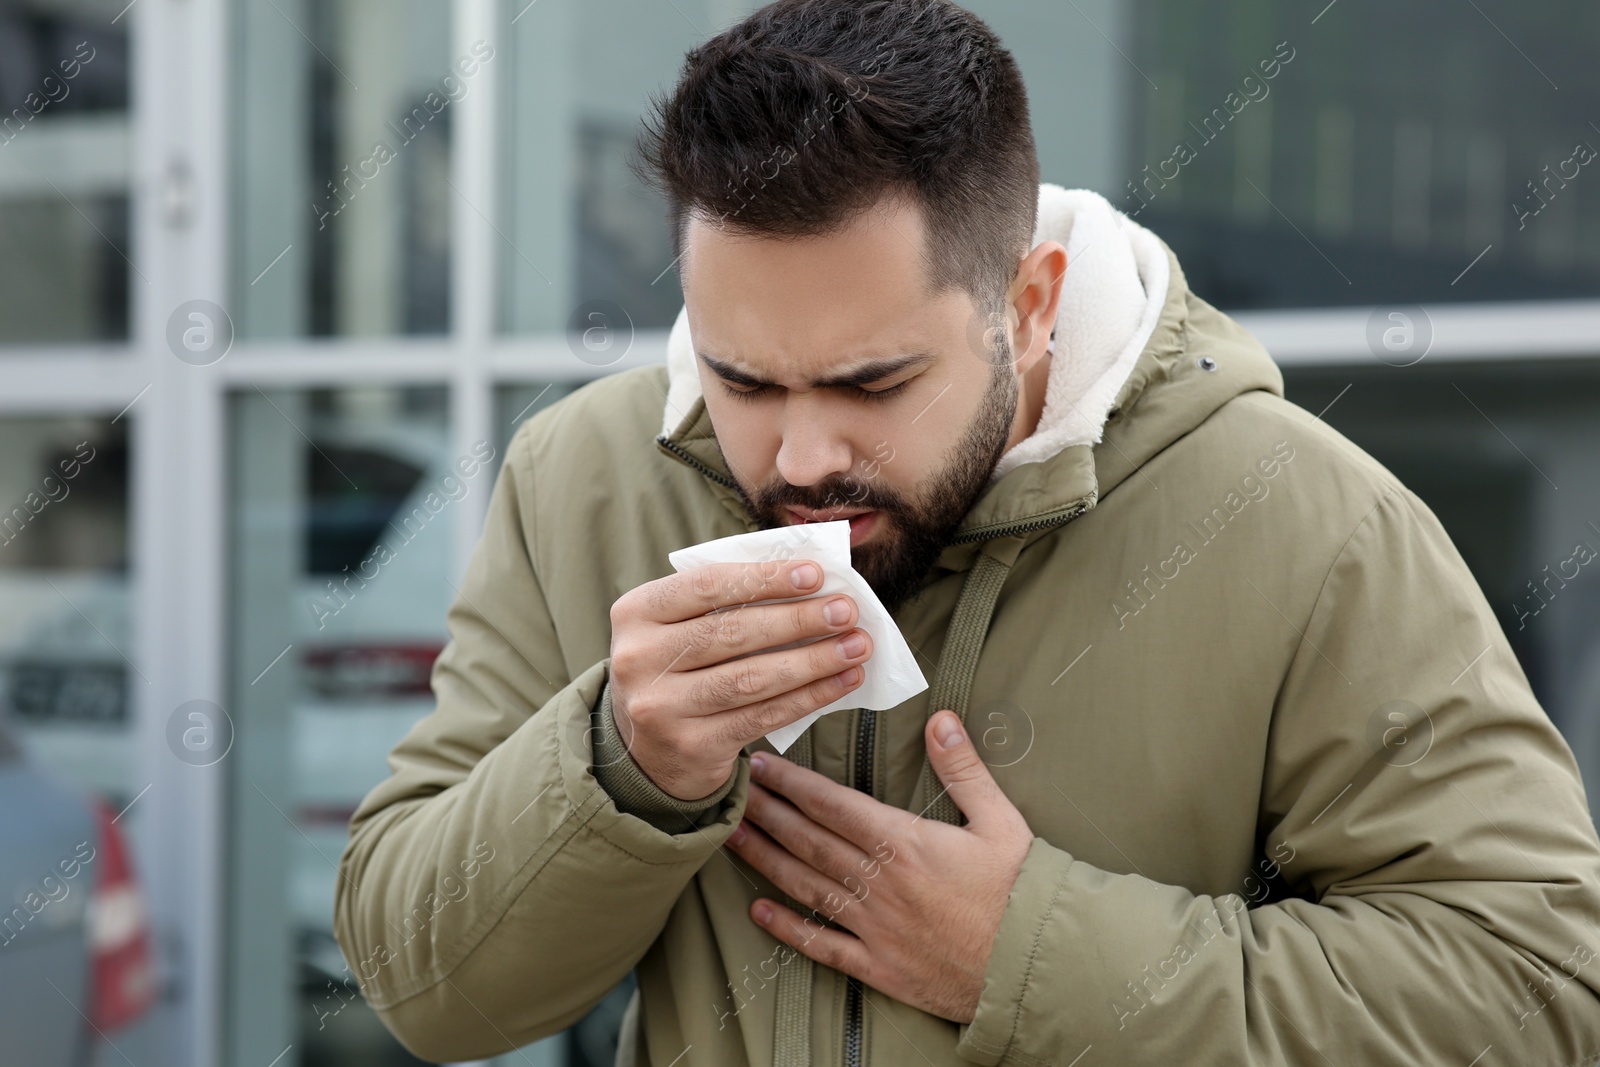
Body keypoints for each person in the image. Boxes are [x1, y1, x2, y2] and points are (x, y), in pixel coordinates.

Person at [333, 1, 1600, 1064]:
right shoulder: (582, 477)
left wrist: (1030, 957)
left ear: (1030, 306)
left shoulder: (1308, 521)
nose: (802, 454)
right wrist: (616, 762)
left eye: (874, 383)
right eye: (745, 380)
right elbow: (424, 984)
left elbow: (1539, 989)